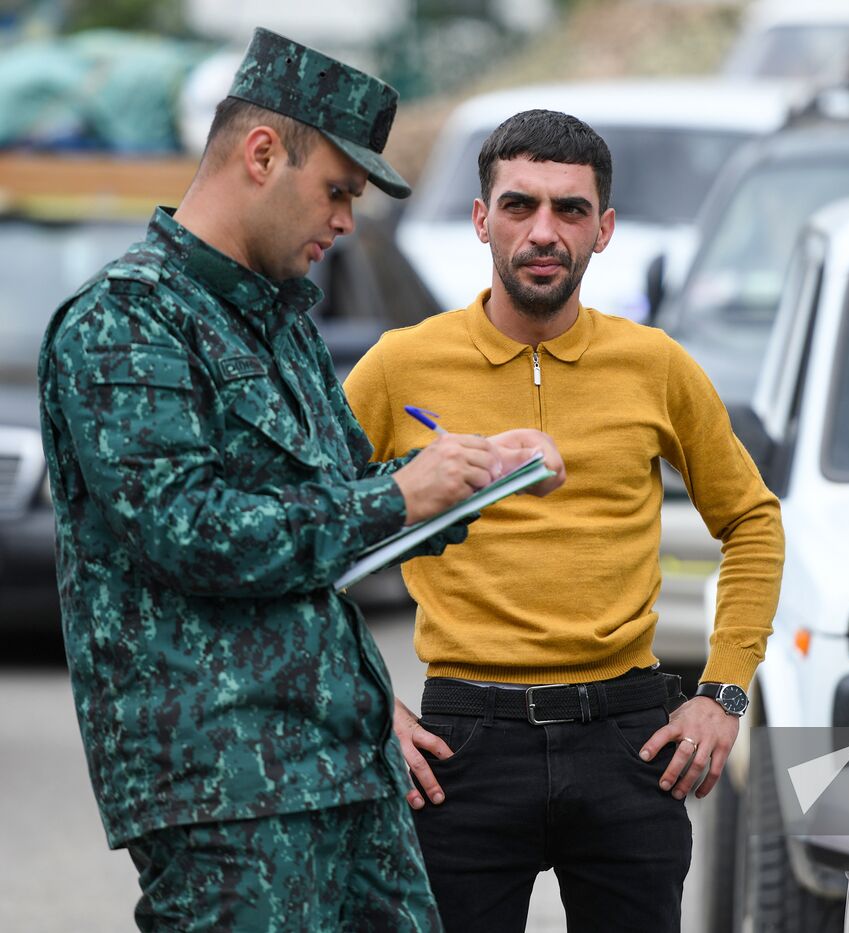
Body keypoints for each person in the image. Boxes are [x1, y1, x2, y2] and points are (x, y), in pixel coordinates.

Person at [37, 29, 562, 931]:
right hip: (225, 795)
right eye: (337, 191)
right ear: (261, 153)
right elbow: (191, 532)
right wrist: (399, 493)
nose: (347, 221)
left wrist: (472, 476)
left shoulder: (282, 324)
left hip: (343, 764)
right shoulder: (125, 324)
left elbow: (339, 517)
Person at [342, 109, 786, 933]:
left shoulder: (655, 365)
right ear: (482, 219)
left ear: (604, 229)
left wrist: (723, 692)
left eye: (570, 210)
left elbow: (753, 520)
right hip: (461, 744)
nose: (544, 231)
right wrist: (366, 703)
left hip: (627, 739)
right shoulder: (401, 364)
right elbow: (300, 532)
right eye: (520, 206)